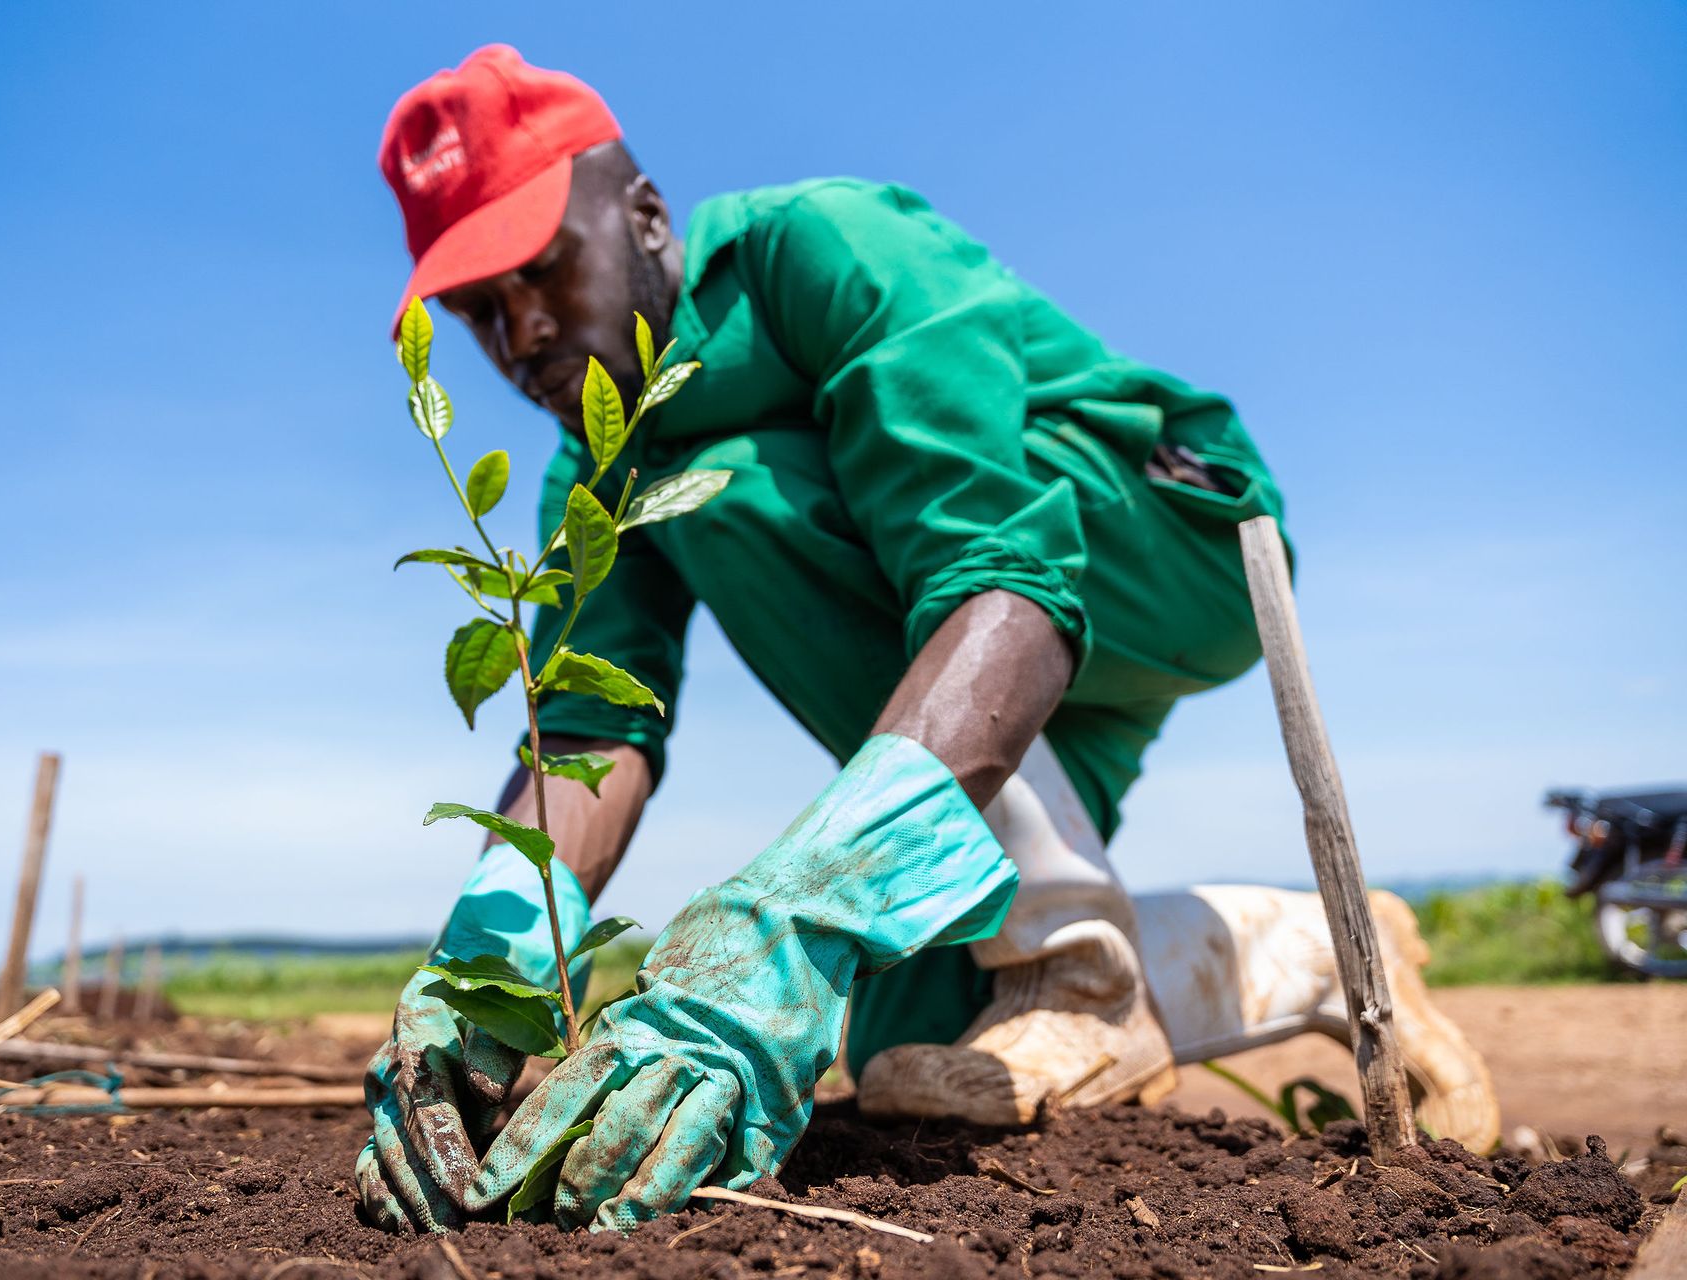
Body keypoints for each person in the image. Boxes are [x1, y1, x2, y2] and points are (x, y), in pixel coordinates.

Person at [355, 45, 1498, 1236]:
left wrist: (786, 921)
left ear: (644, 215)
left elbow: (995, 569)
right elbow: (591, 733)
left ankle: (1072, 953)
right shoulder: (591, 470)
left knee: (730, 489)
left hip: (1164, 540)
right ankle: (1295, 948)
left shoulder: (819, 246)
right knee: (911, 1038)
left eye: (542, 268)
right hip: (998, 655)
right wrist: (483, 967)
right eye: (478, 311)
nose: (523, 329)